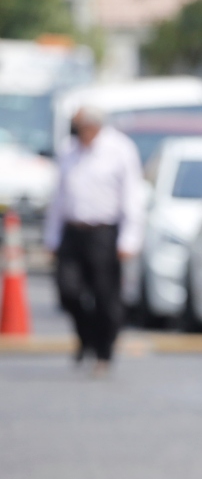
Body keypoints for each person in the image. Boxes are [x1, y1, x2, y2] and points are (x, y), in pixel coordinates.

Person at [44, 106, 145, 374]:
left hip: (104, 232)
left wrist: (129, 238)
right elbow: (59, 197)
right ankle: (86, 335)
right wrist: (51, 237)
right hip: (72, 230)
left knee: (105, 295)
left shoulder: (120, 149)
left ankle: (104, 351)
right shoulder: (68, 150)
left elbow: (132, 196)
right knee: (68, 291)